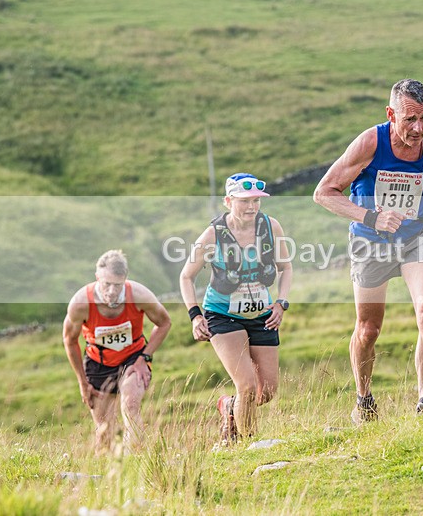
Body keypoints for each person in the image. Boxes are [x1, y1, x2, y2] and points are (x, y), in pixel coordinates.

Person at [313, 78, 423, 424]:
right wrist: (372, 217)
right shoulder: (369, 143)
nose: (418, 128)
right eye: (409, 119)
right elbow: (324, 192)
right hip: (371, 241)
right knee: (368, 330)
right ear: (391, 114)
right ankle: (363, 399)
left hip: (418, 235)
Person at [180, 173, 292, 443]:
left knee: (266, 392)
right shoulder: (213, 234)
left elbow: (285, 268)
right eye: (244, 201)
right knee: (248, 386)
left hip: (262, 315)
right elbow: (186, 276)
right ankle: (249, 443)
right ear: (228, 201)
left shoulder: (271, 226)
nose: (252, 207)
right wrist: (195, 316)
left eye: (256, 201)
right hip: (223, 316)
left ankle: (230, 406)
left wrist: (281, 302)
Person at [63, 249, 172, 454]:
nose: (112, 291)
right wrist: (82, 381)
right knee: (104, 432)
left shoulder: (139, 295)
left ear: (125, 280)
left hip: (133, 359)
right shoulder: (80, 303)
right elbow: (69, 341)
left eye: (117, 285)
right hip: (98, 362)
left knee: (130, 403)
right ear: (97, 278)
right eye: (106, 284)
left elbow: (164, 322)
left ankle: (136, 460)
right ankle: (108, 473)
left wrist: (144, 357)